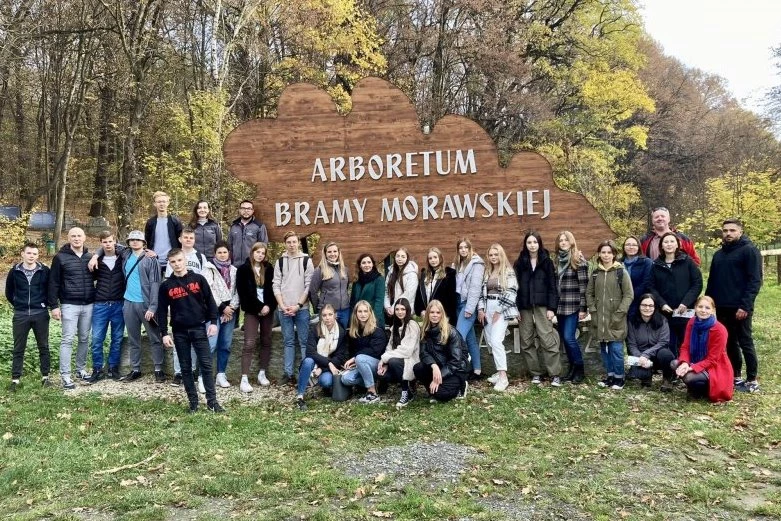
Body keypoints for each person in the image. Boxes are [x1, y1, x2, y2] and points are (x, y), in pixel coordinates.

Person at [157, 249, 224, 413]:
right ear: (170, 264)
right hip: (179, 331)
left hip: (199, 328)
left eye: (179, 260)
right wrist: (164, 333)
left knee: (206, 365)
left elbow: (210, 301)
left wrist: (214, 322)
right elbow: (161, 310)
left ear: (185, 260)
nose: (177, 264)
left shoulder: (198, 279)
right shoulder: (166, 285)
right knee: (186, 368)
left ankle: (212, 402)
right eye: (173, 262)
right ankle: (193, 402)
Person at [705, 219, 763, 393]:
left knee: (745, 341)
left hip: (740, 308)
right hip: (721, 307)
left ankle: (752, 379)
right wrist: (709, 304)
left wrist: (745, 306)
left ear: (740, 231)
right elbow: (712, 281)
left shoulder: (749, 251)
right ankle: (735, 375)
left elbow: (755, 281)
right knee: (729, 342)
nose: (728, 233)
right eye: (725, 230)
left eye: (732, 230)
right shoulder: (719, 255)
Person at [48, 227, 96, 389]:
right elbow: (53, 283)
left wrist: (97, 257)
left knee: (84, 338)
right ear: (68, 238)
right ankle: (65, 375)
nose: (76, 238)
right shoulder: (60, 258)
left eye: (79, 236)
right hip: (69, 304)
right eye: (73, 236)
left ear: (84, 238)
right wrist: (54, 306)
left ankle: (81, 369)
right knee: (67, 340)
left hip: (89, 304)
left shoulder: (90, 257)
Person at [514, 231, 562, 386]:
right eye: (529, 242)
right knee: (526, 341)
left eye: (535, 242)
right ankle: (536, 373)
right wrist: (516, 308)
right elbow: (515, 287)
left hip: (542, 306)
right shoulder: (520, 262)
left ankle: (555, 374)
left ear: (539, 244)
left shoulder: (546, 262)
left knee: (547, 339)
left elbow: (552, 287)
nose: (532, 245)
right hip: (524, 306)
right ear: (525, 244)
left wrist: (551, 308)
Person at [586, 240, 634, 390]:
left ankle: (619, 378)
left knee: (616, 350)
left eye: (609, 252)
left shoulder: (621, 272)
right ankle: (610, 376)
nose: (606, 255)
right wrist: (593, 309)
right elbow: (589, 293)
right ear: (599, 254)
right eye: (603, 252)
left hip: (615, 318)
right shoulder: (595, 273)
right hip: (599, 318)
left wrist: (619, 313)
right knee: (604, 349)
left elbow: (628, 295)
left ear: (614, 254)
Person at [118, 230, 164, 382]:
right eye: (132, 240)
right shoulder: (125, 255)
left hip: (146, 304)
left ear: (144, 243)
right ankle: (135, 369)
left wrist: (152, 307)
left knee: (154, 337)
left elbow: (155, 284)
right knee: (133, 338)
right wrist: (96, 255)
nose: (135, 242)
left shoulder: (151, 259)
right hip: (129, 303)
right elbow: (108, 245)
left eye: (138, 240)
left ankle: (158, 369)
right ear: (128, 242)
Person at [166, 227, 210, 384]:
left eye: (191, 237)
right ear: (180, 239)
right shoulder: (173, 255)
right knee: (180, 343)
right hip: (178, 304)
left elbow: (205, 282)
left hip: (195, 305)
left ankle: (191, 371)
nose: (188, 240)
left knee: (195, 343)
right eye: (185, 237)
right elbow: (168, 282)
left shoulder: (200, 257)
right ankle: (179, 373)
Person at [6, 242, 52, 391]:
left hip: (40, 313)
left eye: (34, 253)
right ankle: (15, 380)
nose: (31, 256)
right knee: (18, 347)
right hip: (21, 314)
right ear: (23, 254)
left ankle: (45, 377)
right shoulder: (14, 271)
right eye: (29, 253)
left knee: (43, 346)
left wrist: (44, 304)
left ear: (38, 255)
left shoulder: (44, 270)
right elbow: (9, 292)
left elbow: (50, 289)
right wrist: (19, 304)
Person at [649, 231, 703, 355]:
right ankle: (671, 369)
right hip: (666, 312)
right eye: (666, 242)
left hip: (686, 311)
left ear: (678, 244)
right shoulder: (656, 265)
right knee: (669, 342)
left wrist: (685, 303)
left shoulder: (687, 261)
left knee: (686, 342)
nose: (669, 244)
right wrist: (662, 304)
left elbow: (697, 283)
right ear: (661, 246)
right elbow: (651, 287)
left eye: (672, 241)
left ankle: (687, 369)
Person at [671, 296, 733, 402]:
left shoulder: (719, 330)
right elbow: (685, 346)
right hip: (695, 359)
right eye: (700, 307)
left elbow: (713, 360)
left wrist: (691, 368)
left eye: (707, 308)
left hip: (715, 367)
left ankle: (702, 390)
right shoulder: (692, 322)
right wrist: (685, 363)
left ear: (713, 310)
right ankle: (696, 387)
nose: (703, 310)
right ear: (695, 308)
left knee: (689, 377)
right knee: (674, 363)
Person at [273, 231, 314, 385]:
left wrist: (298, 305)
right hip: (283, 308)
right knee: (288, 341)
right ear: (285, 244)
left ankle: (306, 373)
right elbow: (276, 284)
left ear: (298, 242)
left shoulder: (306, 260)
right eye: (288, 242)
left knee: (304, 341)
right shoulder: (280, 261)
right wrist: (282, 305)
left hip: (301, 308)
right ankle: (288, 373)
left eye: (294, 242)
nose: (291, 245)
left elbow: (308, 285)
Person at [236, 242, 277, 392]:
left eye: (263, 253)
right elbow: (244, 293)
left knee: (266, 340)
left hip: (268, 310)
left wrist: (268, 307)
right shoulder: (243, 269)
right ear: (252, 252)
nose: (260, 255)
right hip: (252, 311)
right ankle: (244, 378)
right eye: (257, 252)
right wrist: (259, 307)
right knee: (249, 343)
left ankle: (262, 373)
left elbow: (274, 289)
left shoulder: (269, 269)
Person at [477, 243, 518, 392]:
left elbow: (512, 293)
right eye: (491, 255)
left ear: (501, 255)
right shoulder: (487, 271)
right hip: (488, 309)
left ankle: (503, 377)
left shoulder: (508, 271)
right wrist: (481, 309)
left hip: (501, 309)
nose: (493, 257)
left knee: (496, 341)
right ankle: (498, 372)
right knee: (490, 342)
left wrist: (499, 311)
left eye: (496, 254)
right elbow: (481, 294)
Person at [87, 231, 126, 383]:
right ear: (101, 243)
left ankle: (113, 368)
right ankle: (97, 369)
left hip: (118, 304)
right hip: (100, 305)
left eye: (110, 241)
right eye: (104, 242)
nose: (108, 244)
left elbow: (132, 248)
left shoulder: (123, 258)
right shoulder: (96, 261)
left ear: (114, 241)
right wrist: (96, 256)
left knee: (117, 338)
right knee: (97, 338)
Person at [414, 299, 469, 403]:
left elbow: (456, 361)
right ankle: (433, 391)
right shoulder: (425, 331)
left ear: (442, 314)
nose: (435, 315)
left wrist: (438, 377)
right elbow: (423, 353)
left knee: (441, 394)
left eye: (438, 312)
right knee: (418, 368)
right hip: (438, 367)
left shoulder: (451, 332)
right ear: (427, 314)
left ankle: (461, 385)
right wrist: (433, 366)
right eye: (432, 312)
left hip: (455, 370)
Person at [295, 304, 349, 411]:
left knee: (326, 382)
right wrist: (328, 364)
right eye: (324, 315)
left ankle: (323, 385)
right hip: (315, 363)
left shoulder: (341, 332)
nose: (327, 318)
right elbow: (310, 352)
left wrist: (323, 368)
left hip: (327, 367)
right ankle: (300, 396)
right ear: (321, 317)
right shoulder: (315, 329)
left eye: (330, 314)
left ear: (335, 315)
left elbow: (339, 357)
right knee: (307, 361)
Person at [201, 242, 239, 390]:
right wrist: (223, 307)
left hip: (230, 311)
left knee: (225, 344)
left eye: (225, 252)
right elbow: (208, 291)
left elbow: (237, 291)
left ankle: (221, 374)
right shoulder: (208, 269)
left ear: (229, 253)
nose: (222, 255)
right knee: (211, 344)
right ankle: (204, 376)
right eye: (219, 252)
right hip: (213, 310)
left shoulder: (234, 270)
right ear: (215, 254)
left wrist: (231, 308)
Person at [340, 300, 387, 403]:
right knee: (345, 379)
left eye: (365, 311)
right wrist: (351, 364)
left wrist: (354, 359)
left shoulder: (377, 329)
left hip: (377, 365)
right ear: (355, 313)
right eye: (360, 311)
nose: (363, 314)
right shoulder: (354, 331)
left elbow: (375, 351)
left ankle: (372, 393)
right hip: (361, 364)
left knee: (360, 358)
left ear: (370, 313)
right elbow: (352, 350)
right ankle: (373, 383)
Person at [377, 298, 421, 408]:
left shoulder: (412, 325)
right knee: (382, 373)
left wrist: (385, 358)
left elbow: (407, 350)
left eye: (403, 309)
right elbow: (389, 347)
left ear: (407, 310)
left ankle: (405, 393)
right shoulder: (395, 326)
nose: (399, 312)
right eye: (397, 309)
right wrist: (385, 364)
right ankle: (409, 394)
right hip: (397, 360)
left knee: (393, 362)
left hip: (411, 360)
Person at [626, 294, 675, 391]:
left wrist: (646, 354)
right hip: (641, 357)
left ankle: (667, 379)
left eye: (650, 305)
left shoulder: (662, 320)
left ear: (655, 307)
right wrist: (641, 357)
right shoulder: (632, 321)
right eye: (644, 305)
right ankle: (646, 377)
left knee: (666, 354)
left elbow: (663, 342)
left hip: (657, 355)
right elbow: (631, 344)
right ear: (639, 306)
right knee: (638, 374)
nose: (647, 308)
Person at [452, 238, 485, 381]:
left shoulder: (477, 264)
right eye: (461, 247)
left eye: (466, 247)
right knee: (470, 338)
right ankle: (477, 371)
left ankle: (460, 370)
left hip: (468, 305)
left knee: (458, 337)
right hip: (458, 303)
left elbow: (475, 288)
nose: (463, 250)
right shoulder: (458, 265)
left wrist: (471, 309)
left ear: (470, 249)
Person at [309, 241, 351, 329]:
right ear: (325, 254)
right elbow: (313, 291)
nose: (332, 254)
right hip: (328, 311)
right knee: (328, 337)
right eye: (329, 252)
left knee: (342, 337)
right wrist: (319, 308)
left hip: (344, 310)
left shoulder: (345, 269)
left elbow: (345, 288)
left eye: (335, 251)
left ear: (339, 253)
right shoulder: (320, 270)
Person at [415, 247, 458, 325]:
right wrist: (421, 311)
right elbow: (419, 296)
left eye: (435, 257)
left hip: (443, 317)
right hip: (427, 317)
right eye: (430, 258)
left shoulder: (448, 275)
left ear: (440, 258)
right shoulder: (424, 275)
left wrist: (446, 317)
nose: (433, 260)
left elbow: (451, 299)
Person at [144, 191, 183, 274]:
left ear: (168, 203)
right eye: (159, 202)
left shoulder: (175, 221)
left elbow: (181, 242)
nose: (161, 204)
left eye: (164, 201)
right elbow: (147, 241)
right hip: (154, 260)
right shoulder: (150, 222)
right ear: (155, 204)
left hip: (172, 262)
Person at [350, 253, 386, 329]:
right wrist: (352, 318)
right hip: (358, 317)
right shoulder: (357, 279)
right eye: (363, 263)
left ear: (373, 264)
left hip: (373, 317)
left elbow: (379, 301)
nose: (367, 265)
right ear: (360, 265)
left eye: (369, 262)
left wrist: (374, 319)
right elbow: (353, 301)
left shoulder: (379, 279)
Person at [228, 199, 268, 268]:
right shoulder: (234, 226)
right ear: (239, 210)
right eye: (243, 208)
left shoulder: (259, 226)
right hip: (235, 266)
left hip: (252, 266)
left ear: (253, 211)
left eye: (249, 209)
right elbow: (229, 246)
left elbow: (263, 246)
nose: (246, 211)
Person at [621, 235, 653, 319]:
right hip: (620, 302)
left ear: (639, 247)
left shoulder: (647, 262)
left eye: (634, 245)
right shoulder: (618, 263)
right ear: (624, 247)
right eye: (628, 244)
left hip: (639, 301)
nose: (631, 247)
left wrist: (629, 296)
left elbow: (646, 282)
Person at [384, 247, 418, 323]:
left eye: (403, 256)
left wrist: (394, 307)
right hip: (391, 311)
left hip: (405, 311)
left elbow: (408, 293)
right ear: (394, 257)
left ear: (407, 258)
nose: (400, 259)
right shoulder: (391, 272)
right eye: (398, 256)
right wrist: (387, 306)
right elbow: (386, 290)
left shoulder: (412, 274)